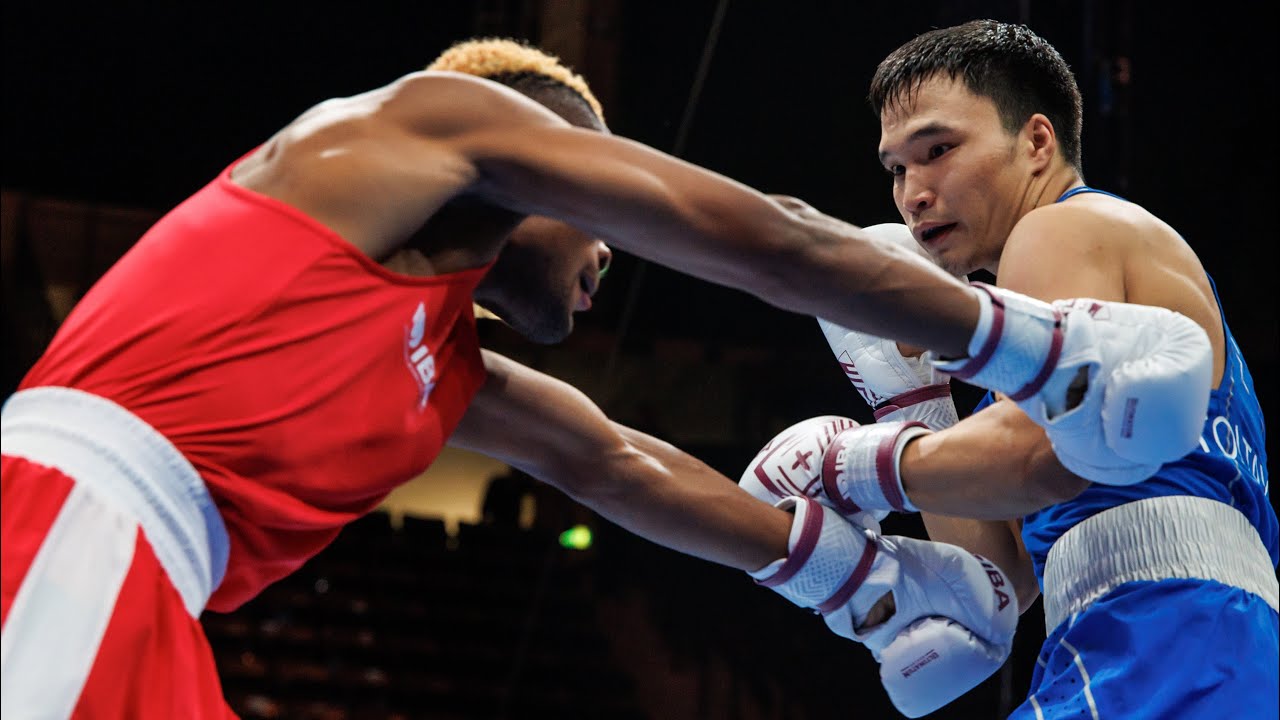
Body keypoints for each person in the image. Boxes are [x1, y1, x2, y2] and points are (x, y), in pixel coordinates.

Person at [0, 35, 1209, 718]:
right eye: (593, 209)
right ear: (544, 164)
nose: (608, 254)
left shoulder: (434, 361)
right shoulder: (417, 123)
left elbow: (616, 463)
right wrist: (1039, 350)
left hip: (146, 593)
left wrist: (865, 586)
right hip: (62, 523)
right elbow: (772, 241)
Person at [738, 20, 1277, 719]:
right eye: (897, 169)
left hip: (1163, 639)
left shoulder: (1062, 228)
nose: (913, 193)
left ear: (1037, 142)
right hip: (1173, 640)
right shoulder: (1047, 331)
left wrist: (846, 465)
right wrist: (913, 402)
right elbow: (1004, 580)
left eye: (938, 150)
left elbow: (1027, 457)